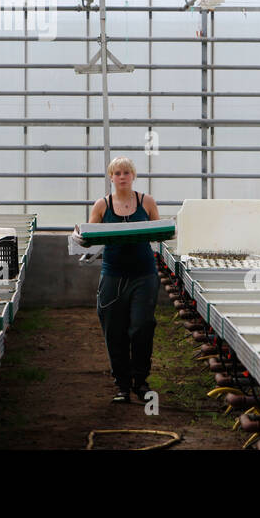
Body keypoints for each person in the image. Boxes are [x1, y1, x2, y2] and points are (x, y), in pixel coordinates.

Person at [85, 156, 160, 403]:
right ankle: (122, 386)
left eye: (126, 172)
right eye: (117, 173)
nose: (122, 176)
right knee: (114, 331)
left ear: (133, 175)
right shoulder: (102, 205)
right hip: (113, 275)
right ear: (111, 177)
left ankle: (141, 381)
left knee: (142, 327)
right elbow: (88, 235)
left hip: (144, 274)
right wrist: (79, 238)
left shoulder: (146, 202)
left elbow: (160, 231)